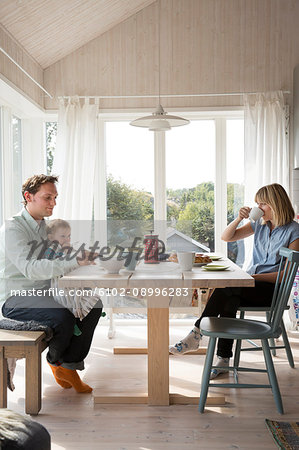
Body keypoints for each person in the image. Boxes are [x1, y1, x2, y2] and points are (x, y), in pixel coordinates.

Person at [169, 183, 299, 379]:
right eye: (257, 203)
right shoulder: (260, 225)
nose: (258, 208)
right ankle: (222, 359)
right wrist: (239, 218)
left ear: (275, 203)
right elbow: (226, 237)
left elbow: (284, 275)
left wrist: (249, 278)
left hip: (272, 290)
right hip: (250, 285)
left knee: (228, 288)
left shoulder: (294, 231)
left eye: (262, 203)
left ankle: (196, 335)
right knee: (229, 296)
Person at [0, 174, 102, 393]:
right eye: (48, 198)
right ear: (28, 196)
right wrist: (73, 261)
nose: (53, 203)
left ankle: (68, 365)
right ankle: (55, 362)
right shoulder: (13, 229)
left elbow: (54, 258)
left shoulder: (44, 227)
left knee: (93, 305)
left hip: (45, 293)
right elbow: (31, 269)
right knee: (63, 317)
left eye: (55, 197)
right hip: (16, 298)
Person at [45, 218, 100, 321]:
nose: (67, 239)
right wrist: (64, 251)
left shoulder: (67, 246)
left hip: (71, 280)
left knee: (89, 292)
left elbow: (76, 256)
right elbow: (51, 260)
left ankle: (77, 314)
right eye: (63, 236)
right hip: (60, 284)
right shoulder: (52, 248)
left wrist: (87, 258)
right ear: (51, 237)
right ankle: (75, 316)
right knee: (70, 299)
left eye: (69, 236)